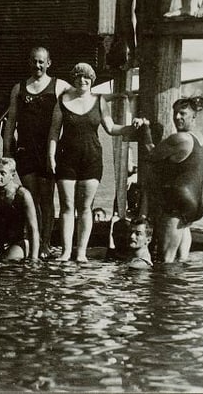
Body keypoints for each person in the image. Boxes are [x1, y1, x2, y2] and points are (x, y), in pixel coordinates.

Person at [46, 62, 137, 262]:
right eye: (78, 77)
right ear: (74, 79)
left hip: (91, 158)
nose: (82, 80)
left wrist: (131, 127)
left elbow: (112, 128)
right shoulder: (62, 101)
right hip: (66, 159)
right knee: (67, 207)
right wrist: (51, 157)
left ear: (92, 81)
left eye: (86, 77)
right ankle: (66, 252)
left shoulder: (99, 101)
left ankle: (80, 253)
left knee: (85, 207)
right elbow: (53, 132)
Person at [2, 47, 71, 257]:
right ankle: (35, 241)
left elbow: (83, 93)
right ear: (29, 62)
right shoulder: (19, 88)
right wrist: (7, 152)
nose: (38, 65)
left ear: (49, 63)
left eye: (41, 62)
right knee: (31, 198)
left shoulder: (59, 86)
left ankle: (46, 244)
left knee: (47, 198)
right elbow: (11, 122)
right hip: (25, 150)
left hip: (48, 151)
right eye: (34, 61)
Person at [136, 95, 203, 263]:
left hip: (179, 202)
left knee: (165, 260)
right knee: (182, 260)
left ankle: (163, 288)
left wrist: (145, 130)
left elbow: (151, 153)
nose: (177, 117)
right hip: (197, 204)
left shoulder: (180, 138)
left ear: (193, 116)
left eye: (182, 113)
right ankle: (181, 287)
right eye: (175, 113)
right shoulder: (200, 138)